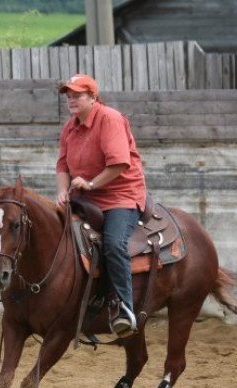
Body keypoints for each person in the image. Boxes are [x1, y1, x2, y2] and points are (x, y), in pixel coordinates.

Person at [55, 74, 147, 338]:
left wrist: (92, 184)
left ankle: (125, 310)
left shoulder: (109, 118)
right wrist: (62, 191)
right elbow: (62, 165)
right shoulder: (69, 128)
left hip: (120, 195)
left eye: (77, 95)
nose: (71, 99)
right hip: (87, 196)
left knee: (113, 243)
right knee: (62, 239)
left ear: (93, 97)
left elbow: (119, 163)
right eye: (68, 95)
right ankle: (80, 308)